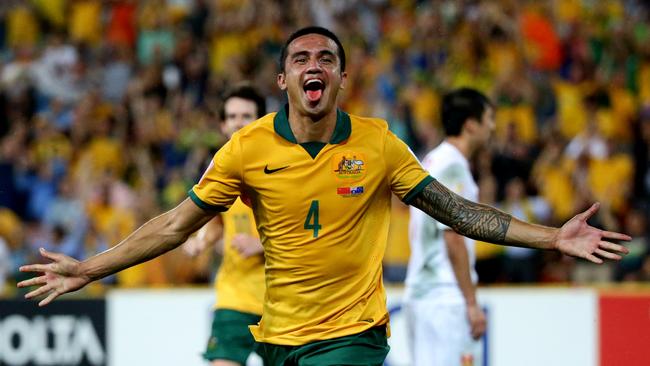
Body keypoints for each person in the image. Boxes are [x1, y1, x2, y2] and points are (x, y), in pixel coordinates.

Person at [18, 26, 630, 366]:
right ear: (284, 80)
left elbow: (458, 212)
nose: (315, 65)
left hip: (353, 335)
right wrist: (90, 269)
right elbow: (175, 225)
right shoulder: (246, 149)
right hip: (278, 337)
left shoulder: (379, 145)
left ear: (341, 77)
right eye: (301, 58)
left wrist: (551, 235)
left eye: (327, 58)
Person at [404, 88, 492, 366]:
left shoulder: (431, 161)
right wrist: (470, 302)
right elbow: (453, 236)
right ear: (470, 124)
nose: (493, 126)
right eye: (489, 118)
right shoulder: (453, 167)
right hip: (445, 297)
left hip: (422, 294)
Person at [181, 84, 267, 366]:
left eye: (246, 115)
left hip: (282, 303)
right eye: (231, 116)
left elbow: (311, 228)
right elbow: (218, 219)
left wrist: (262, 244)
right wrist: (202, 240)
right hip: (234, 298)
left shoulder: (285, 167)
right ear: (222, 124)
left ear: (263, 121)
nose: (238, 123)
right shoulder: (219, 170)